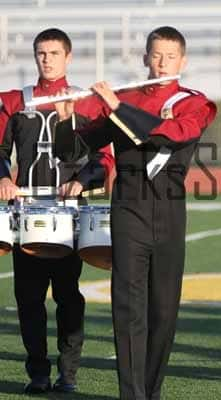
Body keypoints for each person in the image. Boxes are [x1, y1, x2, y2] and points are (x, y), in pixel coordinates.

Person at [52, 26, 216, 399]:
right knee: (127, 306)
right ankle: (132, 394)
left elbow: (170, 135)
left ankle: (150, 391)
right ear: (145, 58)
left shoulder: (195, 101)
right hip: (128, 207)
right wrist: (65, 119)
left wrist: (117, 107)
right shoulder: (126, 98)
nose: (162, 63)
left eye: (170, 56)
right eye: (156, 55)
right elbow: (75, 151)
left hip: (170, 208)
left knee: (163, 311)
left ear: (183, 61)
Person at [0, 28, 114, 394]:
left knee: (68, 295)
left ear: (68, 57)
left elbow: (103, 159)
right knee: (28, 298)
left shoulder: (86, 102)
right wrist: (3, 179)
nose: (46, 59)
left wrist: (82, 182)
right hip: (27, 210)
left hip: (68, 213)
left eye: (52, 53)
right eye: (40, 53)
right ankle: (38, 373)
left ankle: (68, 373)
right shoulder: (15, 101)